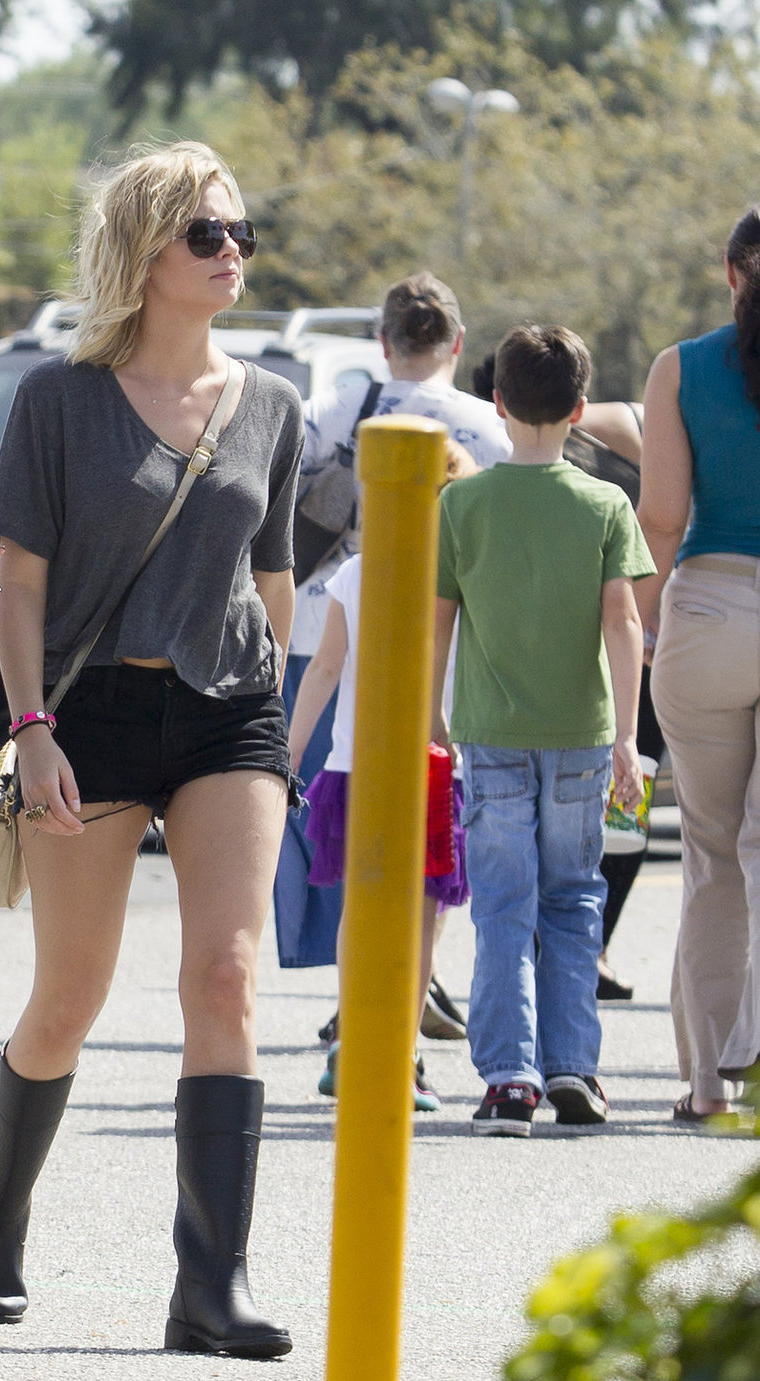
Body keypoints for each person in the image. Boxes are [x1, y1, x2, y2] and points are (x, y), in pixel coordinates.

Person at [0, 142, 300, 1359]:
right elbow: (18, 591)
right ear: (144, 250)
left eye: (241, 235)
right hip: (88, 714)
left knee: (225, 974)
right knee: (70, 994)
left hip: (226, 708)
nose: (231, 256)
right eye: (207, 235)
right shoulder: (58, 399)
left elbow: (276, 580)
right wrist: (30, 724)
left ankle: (211, 1284)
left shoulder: (271, 404)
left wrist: (273, 728)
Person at [433, 324, 654, 1137]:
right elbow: (624, 623)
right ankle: (575, 1068)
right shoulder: (604, 503)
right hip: (584, 736)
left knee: (502, 903)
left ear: (497, 402)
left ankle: (509, 1080)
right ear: (581, 409)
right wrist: (629, 735)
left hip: (489, 733)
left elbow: (436, 625)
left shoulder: (461, 502)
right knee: (573, 899)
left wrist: (431, 714)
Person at [284, 273, 509, 1042]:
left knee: (345, 849)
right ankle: (409, 1003)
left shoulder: (340, 404)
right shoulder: (486, 427)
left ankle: (359, 1005)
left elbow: (277, 473)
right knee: (432, 868)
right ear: (456, 343)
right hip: (440, 671)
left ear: (384, 342)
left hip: (323, 640)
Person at [287, 443, 478, 1113]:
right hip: (433, 763)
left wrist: (290, 750)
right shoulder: (456, 575)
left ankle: (355, 1029)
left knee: (361, 907)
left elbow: (323, 670)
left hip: (352, 764)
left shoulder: (356, 573)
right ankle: (401, 1050)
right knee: (424, 917)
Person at [474, 353, 655, 1003]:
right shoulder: (552, 455)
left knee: (620, 814)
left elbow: (664, 523)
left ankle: (586, 950)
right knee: (616, 818)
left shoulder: (624, 432)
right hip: (628, 645)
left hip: (638, 636)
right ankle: (581, 954)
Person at [637, 203, 760, 1122]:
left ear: (731, 270)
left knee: (713, 858)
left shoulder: (680, 368)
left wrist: (637, 636)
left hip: (710, 611)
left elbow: (664, 519)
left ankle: (709, 1080)